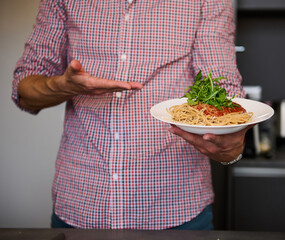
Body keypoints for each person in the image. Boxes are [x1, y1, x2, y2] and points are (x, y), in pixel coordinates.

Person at [12, 0, 251, 230]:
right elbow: (24, 91)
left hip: (178, 211)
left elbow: (222, 87)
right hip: (79, 206)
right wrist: (66, 86)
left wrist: (231, 146)